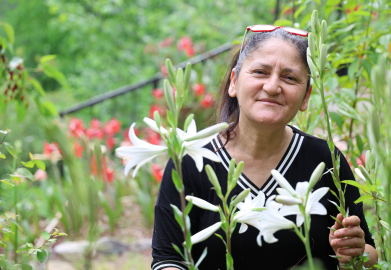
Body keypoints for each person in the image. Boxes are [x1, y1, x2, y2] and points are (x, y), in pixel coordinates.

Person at [151, 26, 378, 270]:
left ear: (306, 97)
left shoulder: (325, 159)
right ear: (234, 82)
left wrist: (354, 254)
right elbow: (168, 260)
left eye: (290, 78)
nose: (272, 87)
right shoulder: (190, 159)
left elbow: (368, 253)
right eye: (260, 72)